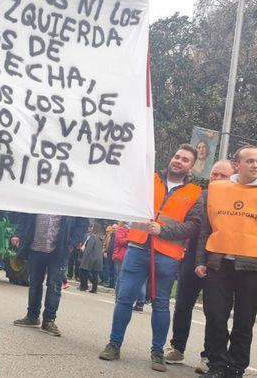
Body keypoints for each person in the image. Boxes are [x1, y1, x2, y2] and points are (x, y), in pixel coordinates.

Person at [99, 144, 204, 372]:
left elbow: (194, 227)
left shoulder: (195, 193)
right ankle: (114, 344)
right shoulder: (148, 180)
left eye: (185, 159)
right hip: (137, 247)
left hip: (167, 255)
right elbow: (128, 203)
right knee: (124, 299)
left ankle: (157, 352)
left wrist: (162, 231)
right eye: (177, 156)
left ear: (191, 167)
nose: (178, 161)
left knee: (161, 304)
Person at [195, 145, 257, 377]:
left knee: (244, 323)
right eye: (250, 161)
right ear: (237, 165)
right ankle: (216, 365)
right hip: (219, 264)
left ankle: (235, 368)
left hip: (253, 267)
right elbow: (207, 228)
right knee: (215, 317)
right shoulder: (218, 190)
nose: (255, 165)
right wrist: (201, 260)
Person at [163, 159, 234, 372]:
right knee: (183, 304)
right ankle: (177, 347)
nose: (217, 179)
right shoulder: (199, 196)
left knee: (215, 312)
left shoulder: (236, 200)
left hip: (219, 263)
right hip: (192, 257)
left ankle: (210, 356)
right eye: (214, 174)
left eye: (223, 175)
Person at [11, 213, 87, 336]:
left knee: (54, 286)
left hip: (59, 250)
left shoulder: (71, 200)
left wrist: (72, 243)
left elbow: (82, 223)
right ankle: (32, 316)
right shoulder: (41, 196)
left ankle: (49, 320)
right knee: (35, 283)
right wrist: (18, 234)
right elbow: (25, 215)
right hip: (35, 246)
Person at [78, 225, 103, 293]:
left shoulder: (92, 237)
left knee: (83, 271)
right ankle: (94, 289)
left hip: (91, 257)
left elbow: (89, 248)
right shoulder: (100, 238)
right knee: (95, 273)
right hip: (99, 258)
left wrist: (83, 258)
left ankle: (83, 286)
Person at [101, 223, 117, 287]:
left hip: (115, 255)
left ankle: (113, 283)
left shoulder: (118, 236)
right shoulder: (109, 235)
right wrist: (104, 251)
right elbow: (104, 244)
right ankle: (106, 281)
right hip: (108, 254)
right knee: (107, 268)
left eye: (116, 228)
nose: (114, 229)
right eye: (113, 228)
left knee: (114, 270)